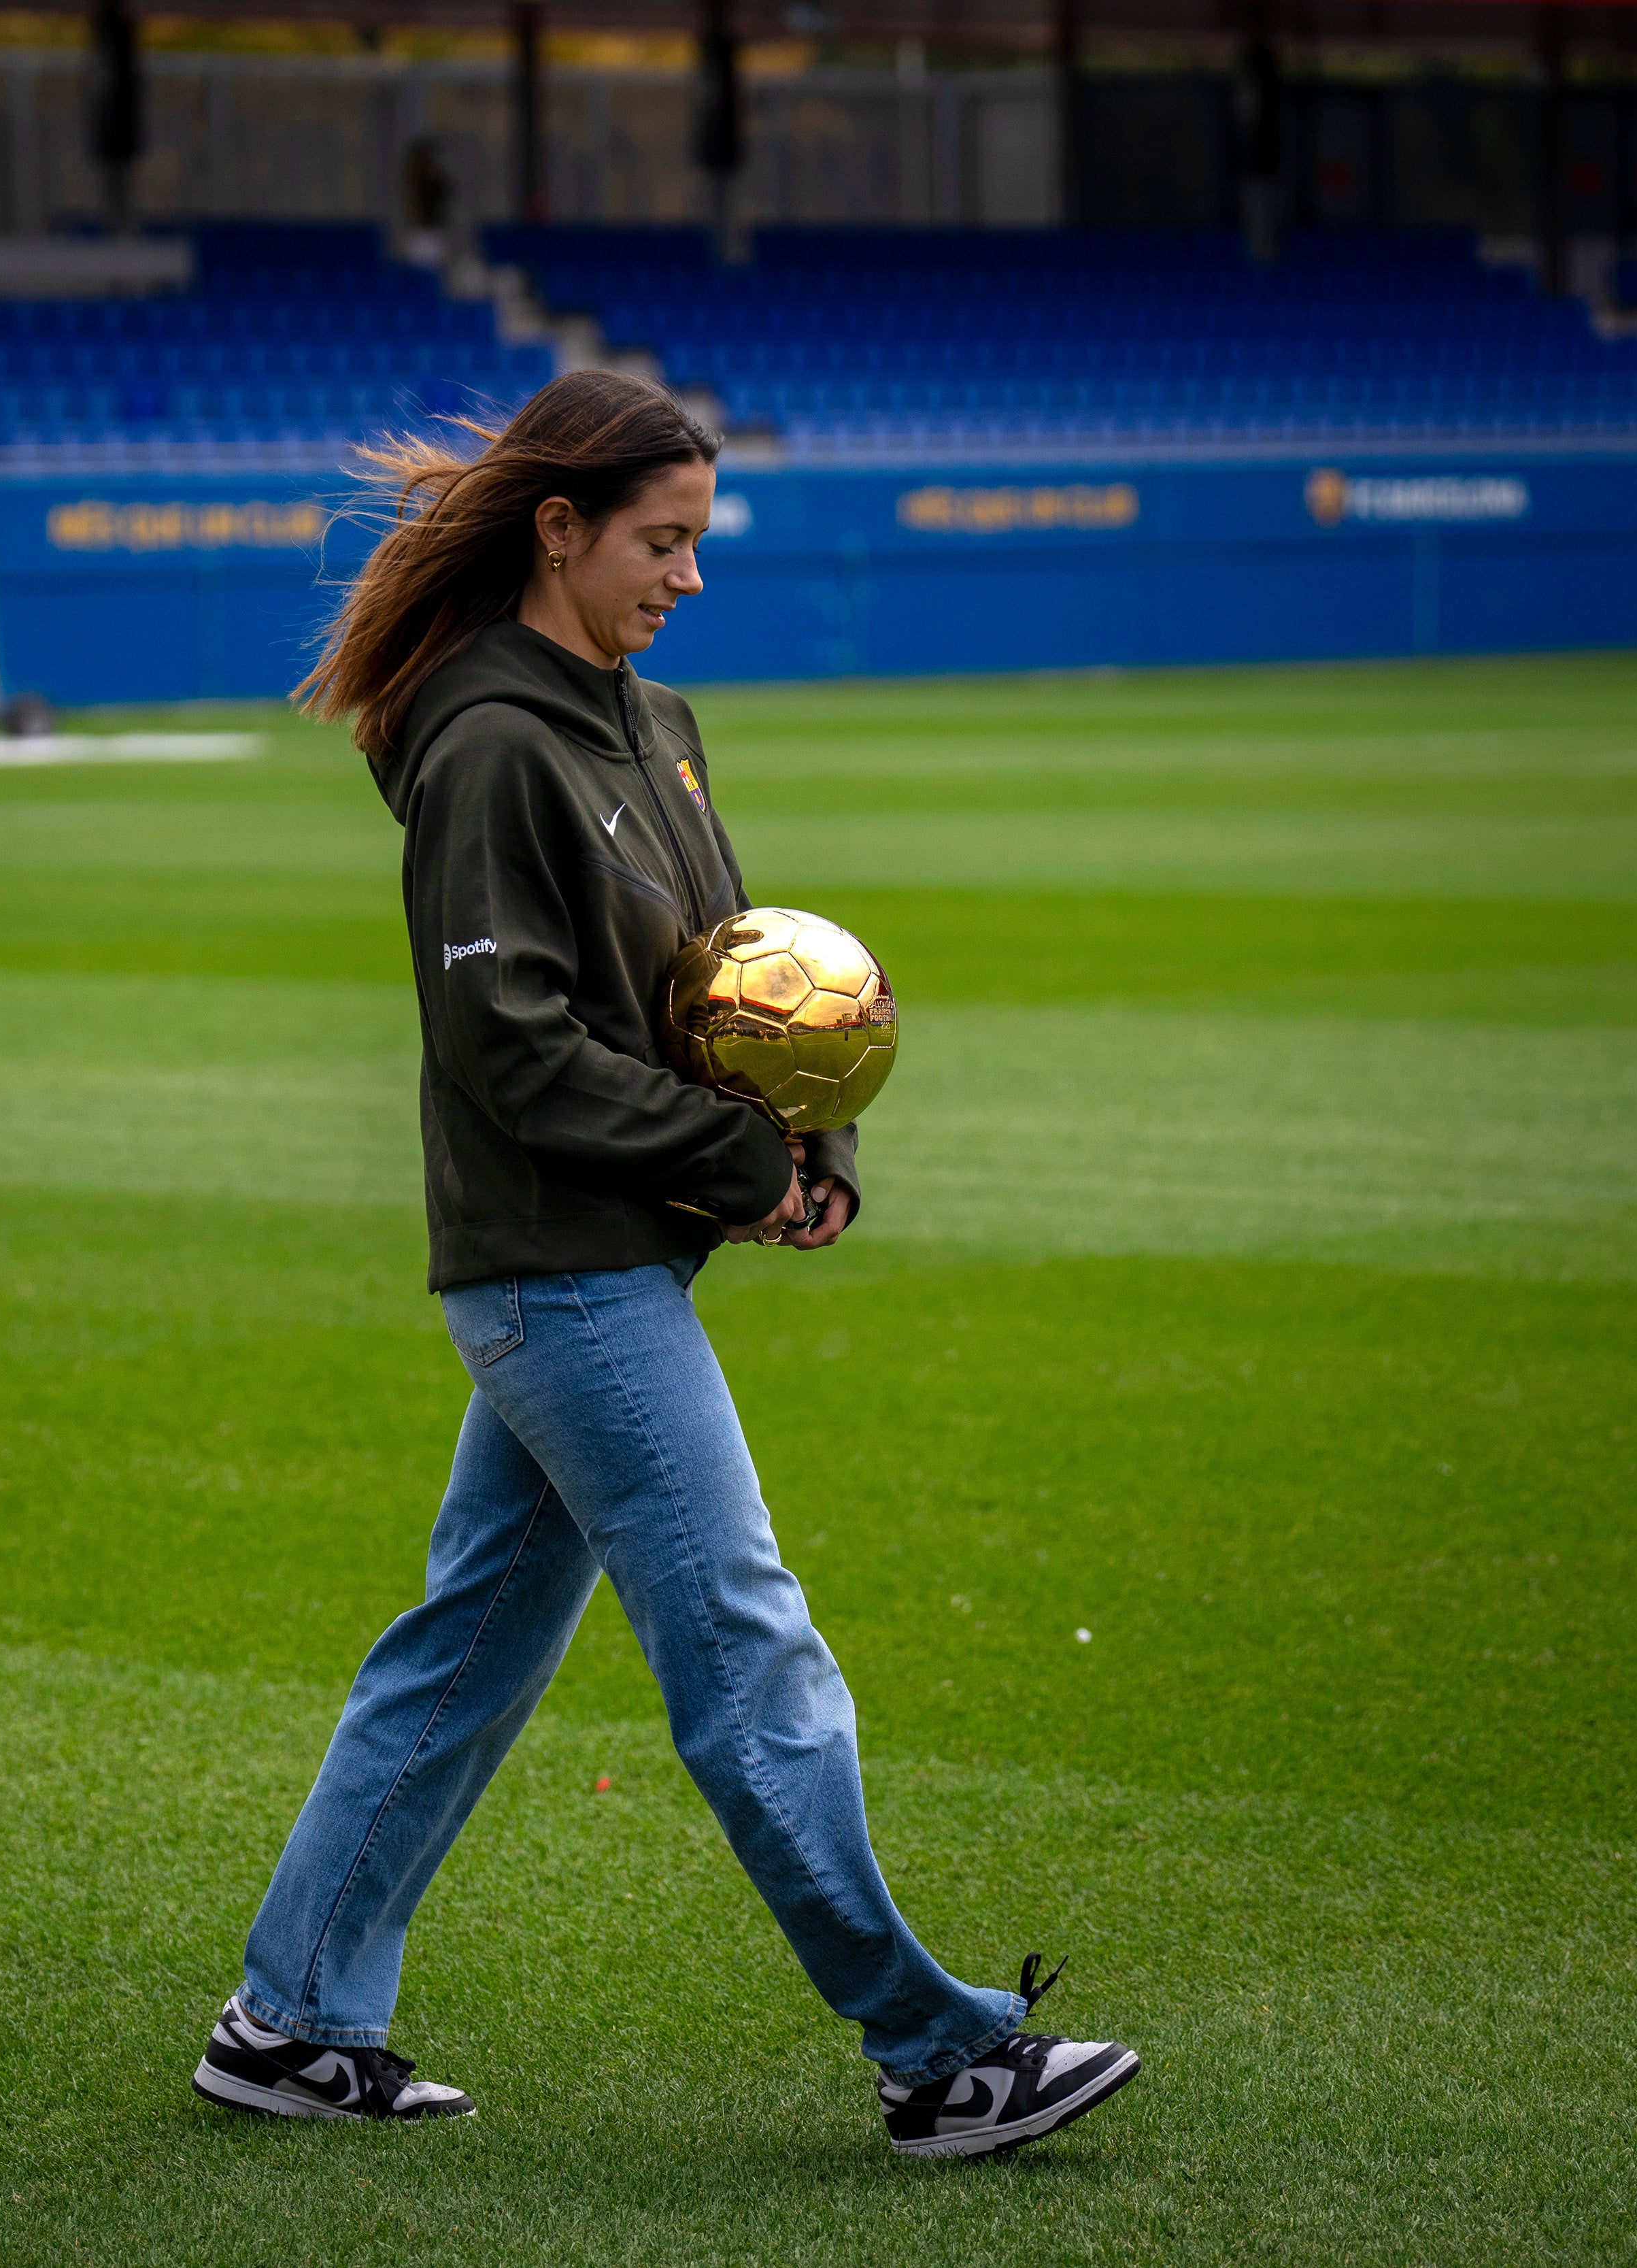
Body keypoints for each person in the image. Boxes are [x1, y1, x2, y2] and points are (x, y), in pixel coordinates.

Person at [189, 371, 1138, 2160]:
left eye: (698, 540)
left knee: (461, 1658)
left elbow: (736, 974)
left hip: (620, 1255)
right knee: (746, 1649)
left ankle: (291, 2020)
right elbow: (510, 1046)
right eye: (660, 540)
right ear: (560, 530)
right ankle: (936, 2055)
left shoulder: (655, 720)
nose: (687, 576)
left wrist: (814, 1143)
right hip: (554, 1275)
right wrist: (730, 1160)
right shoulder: (486, 747)